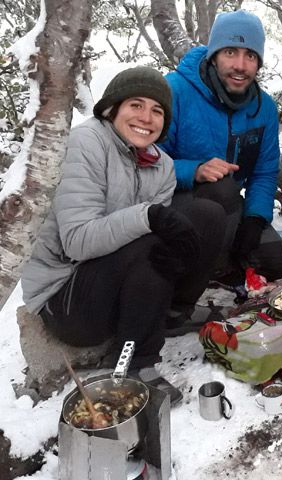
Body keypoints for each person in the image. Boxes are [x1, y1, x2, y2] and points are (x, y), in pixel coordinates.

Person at [21, 67, 227, 404]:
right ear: (111, 109)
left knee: (207, 216)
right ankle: (135, 362)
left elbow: (153, 240)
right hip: (67, 297)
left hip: (118, 279)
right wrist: (150, 217)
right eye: (136, 105)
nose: (146, 117)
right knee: (153, 237)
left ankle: (172, 314)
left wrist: (173, 247)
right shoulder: (86, 142)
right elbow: (78, 241)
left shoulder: (162, 165)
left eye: (157, 110)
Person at [160, 10, 282, 284]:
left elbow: (264, 172)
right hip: (174, 204)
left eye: (250, 55)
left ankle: (221, 258)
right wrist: (194, 171)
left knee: (275, 261)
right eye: (230, 52)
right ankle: (200, 269)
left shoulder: (264, 108)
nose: (240, 65)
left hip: (229, 207)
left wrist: (254, 219)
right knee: (222, 187)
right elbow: (146, 163)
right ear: (214, 55)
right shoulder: (175, 91)